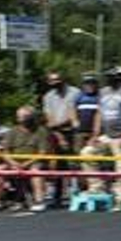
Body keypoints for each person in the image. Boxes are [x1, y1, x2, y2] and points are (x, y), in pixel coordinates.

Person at [94, 68, 121, 208]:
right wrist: (95, 135)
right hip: (106, 134)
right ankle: (98, 189)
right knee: (88, 153)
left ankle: (120, 198)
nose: (111, 81)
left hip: (120, 135)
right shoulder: (103, 91)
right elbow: (99, 112)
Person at [40, 70, 79, 204]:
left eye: (57, 80)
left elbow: (73, 117)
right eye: (52, 81)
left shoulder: (75, 93)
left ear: (63, 79)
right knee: (57, 164)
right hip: (56, 133)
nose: (55, 83)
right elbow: (49, 119)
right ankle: (57, 195)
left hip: (72, 132)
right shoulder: (48, 97)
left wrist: (59, 126)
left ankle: (76, 191)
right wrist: (59, 136)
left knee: (74, 162)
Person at [3, 107, 51, 211]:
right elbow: (5, 151)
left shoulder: (41, 131)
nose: (21, 119)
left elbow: (42, 153)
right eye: (19, 116)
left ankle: (39, 200)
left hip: (34, 161)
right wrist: (12, 163)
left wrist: (26, 163)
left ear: (32, 117)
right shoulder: (12, 131)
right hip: (14, 161)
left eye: (24, 116)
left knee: (35, 171)